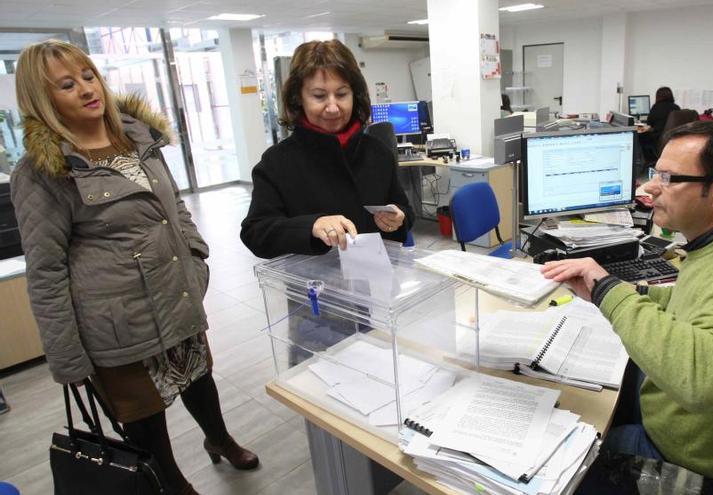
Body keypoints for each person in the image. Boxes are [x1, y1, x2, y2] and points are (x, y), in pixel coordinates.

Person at [10, 40, 257, 495]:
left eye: (88, 75)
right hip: (120, 324)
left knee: (198, 379)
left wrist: (196, 255)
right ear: (43, 100)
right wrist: (67, 359)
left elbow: (173, 204)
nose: (87, 89)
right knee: (145, 414)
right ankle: (171, 481)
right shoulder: (42, 171)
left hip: (175, 296)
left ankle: (218, 439)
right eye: (67, 84)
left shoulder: (137, 137)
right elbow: (45, 272)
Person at [542, 121, 713, 488]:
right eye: (654, 173)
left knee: (555, 451)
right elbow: (693, 301)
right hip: (695, 428)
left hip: (689, 459)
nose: (649, 187)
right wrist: (628, 291)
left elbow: (704, 381)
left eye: (668, 178)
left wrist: (608, 292)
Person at [240, 39, 413, 258]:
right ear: (298, 98)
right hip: (311, 288)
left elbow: (404, 209)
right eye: (319, 96)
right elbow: (255, 232)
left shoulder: (378, 152)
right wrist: (311, 225)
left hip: (377, 282)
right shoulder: (277, 162)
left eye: (341, 94)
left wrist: (399, 218)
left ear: (355, 95)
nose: (332, 107)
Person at [638, 86, 680, 165]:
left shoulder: (656, 107)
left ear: (658, 96)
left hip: (658, 139)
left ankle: (649, 160)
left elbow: (648, 125)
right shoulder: (676, 108)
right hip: (673, 139)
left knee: (640, 136)